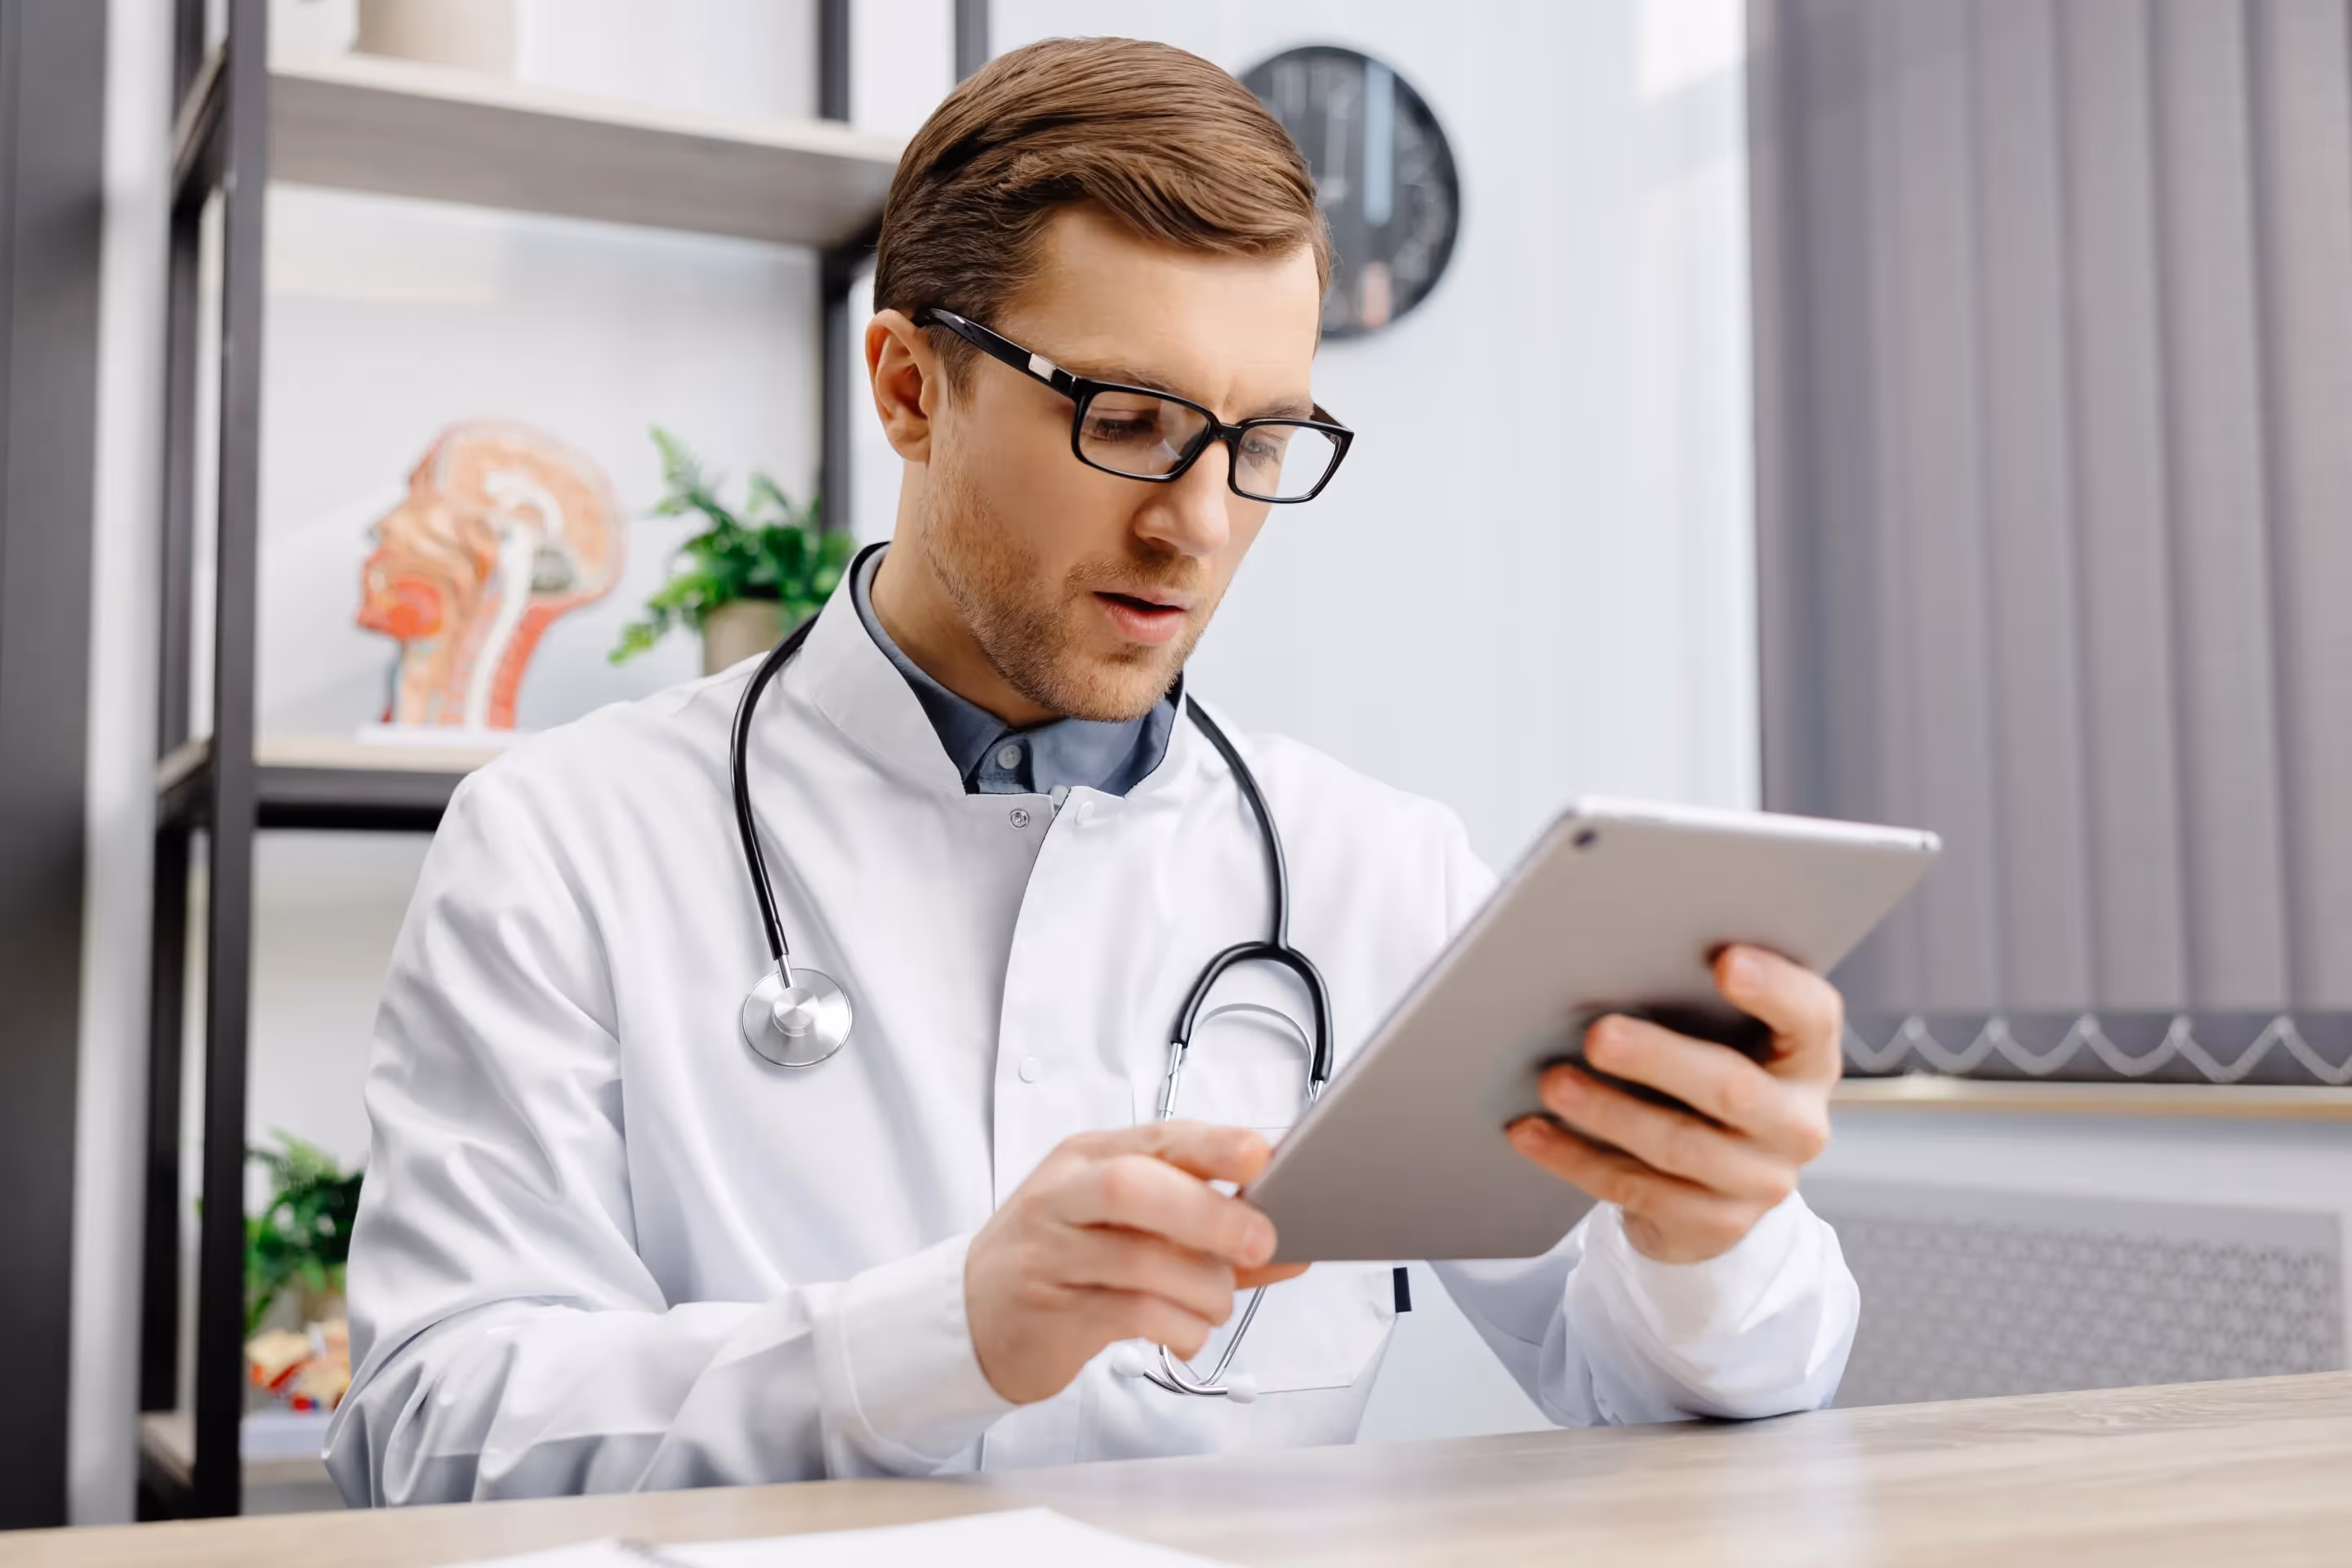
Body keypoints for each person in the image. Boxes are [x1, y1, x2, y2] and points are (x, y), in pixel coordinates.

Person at [326, 37, 1857, 1504]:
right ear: (912, 388)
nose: (1197, 526)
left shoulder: (1374, 866)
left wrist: (1702, 1230)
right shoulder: (564, 842)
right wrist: (939, 1340)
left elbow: (1656, 1395)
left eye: (1261, 442)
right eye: (1131, 422)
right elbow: (431, 1429)